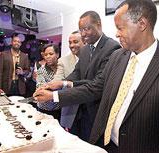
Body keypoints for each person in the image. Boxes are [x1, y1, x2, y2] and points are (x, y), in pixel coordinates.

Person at [33, 0, 159, 153]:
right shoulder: (118, 56)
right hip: (104, 144)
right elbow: (95, 87)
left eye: (120, 28)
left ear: (142, 24)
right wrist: (55, 95)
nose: (117, 33)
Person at [38, 10, 120, 141]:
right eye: (81, 30)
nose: (83, 34)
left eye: (86, 29)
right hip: (79, 111)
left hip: (96, 113)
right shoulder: (86, 49)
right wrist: (57, 84)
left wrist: (54, 95)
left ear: (98, 24)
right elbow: (77, 73)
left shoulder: (112, 48)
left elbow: (97, 85)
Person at [52, 31, 84, 130]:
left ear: (84, 42)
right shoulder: (63, 61)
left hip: (89, 110)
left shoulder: (93, 59)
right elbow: (57, 81)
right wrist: (49, 88)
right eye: (70, 42)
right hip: (71, 111)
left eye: (75, 42)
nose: (72, 45)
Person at [34, 44, 60, 119]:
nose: (48, 56)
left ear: (57, 54)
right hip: (43, 109)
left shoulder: (62, 69)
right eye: (45, 55)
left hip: (59, 109)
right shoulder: (41, 71)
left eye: (51, 54)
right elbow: (41, 90)